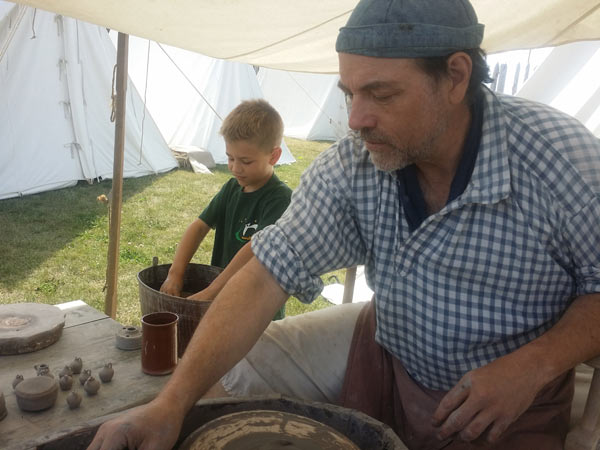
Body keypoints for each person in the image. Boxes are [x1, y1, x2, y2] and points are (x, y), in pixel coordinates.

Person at [87, 0, 600, 449]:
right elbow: (266, 275)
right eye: (349, 92)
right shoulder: (356, 163)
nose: (355, 119)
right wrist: (170, 405)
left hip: (517, 390)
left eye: (381, 94)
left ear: (456, 76)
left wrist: (532, 367)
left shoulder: (561, 162)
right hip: (387, 349)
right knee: (233, 375)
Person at [159, 99, 291, 320]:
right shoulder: (231, 189)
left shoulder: (280, 199)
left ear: (274, 156)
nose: (235, 168)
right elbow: (199, 227)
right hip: (223, 298)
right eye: (230, 158)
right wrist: (175, 273)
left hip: (259, 309)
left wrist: (211, 292)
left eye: (246, 161)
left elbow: (255, 249)